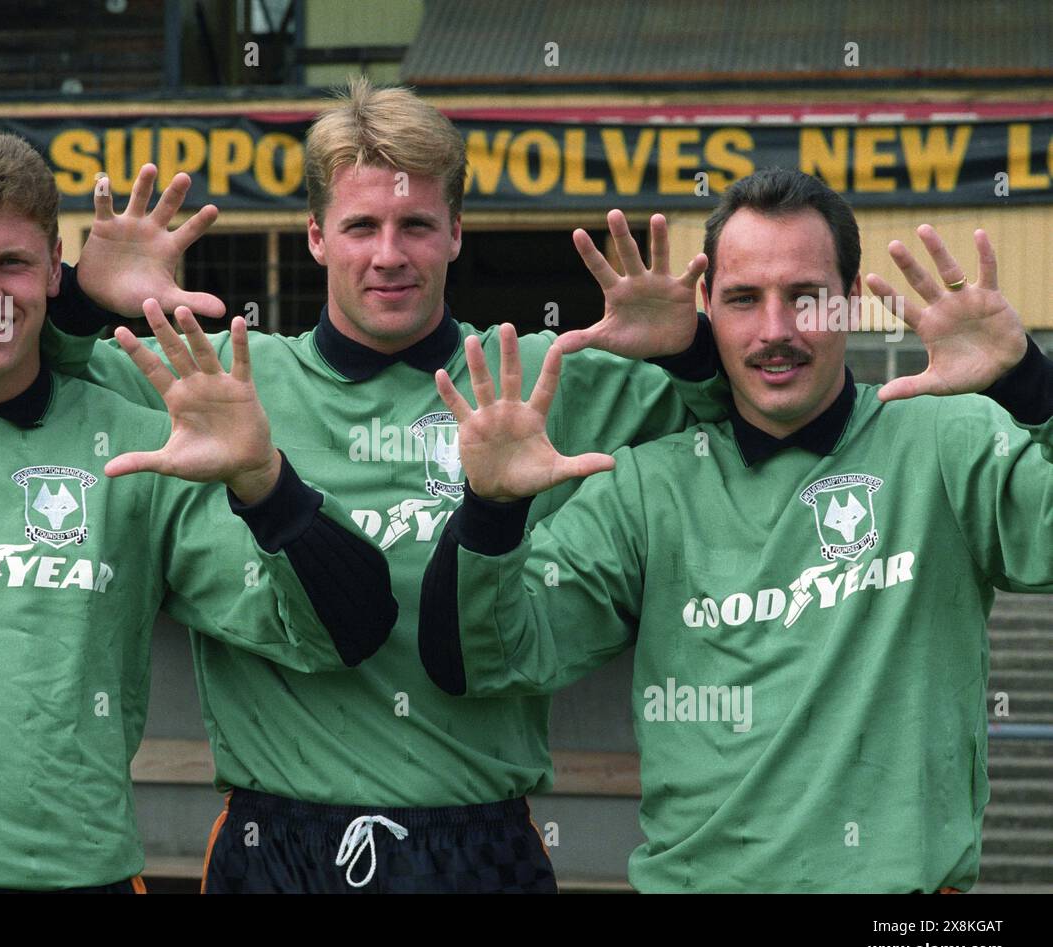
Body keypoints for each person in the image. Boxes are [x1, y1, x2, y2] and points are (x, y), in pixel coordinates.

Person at [42, 78, 731, 892]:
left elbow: (739, 422)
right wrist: (84, 300)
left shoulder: (546, 377)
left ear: (457, 235)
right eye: (361, 225)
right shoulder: (218, 379)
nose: (389, 253)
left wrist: (690, 350)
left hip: (477, 842)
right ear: (315, 237)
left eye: (416, 225)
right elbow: (44, 386)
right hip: (279, 845)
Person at [0, 128, 394, 893]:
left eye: (12, 264)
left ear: (56, 271)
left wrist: (265, 479)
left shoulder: (142, 448)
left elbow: (341, 634)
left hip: (76, 877)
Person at [419, 167, 1052, 892]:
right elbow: (480, 658)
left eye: (806, 298)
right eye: (744, 300)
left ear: (850, 306)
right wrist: (491, 511)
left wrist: (1030, 382)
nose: (775, 331)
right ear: (708, 312)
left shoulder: (949, 441)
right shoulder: (648, 486)